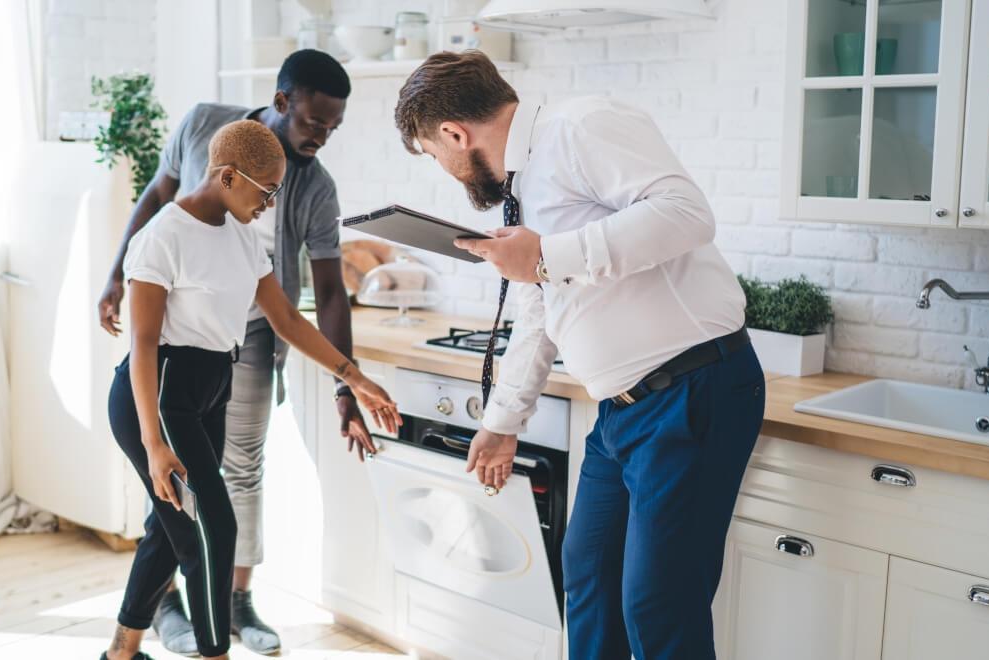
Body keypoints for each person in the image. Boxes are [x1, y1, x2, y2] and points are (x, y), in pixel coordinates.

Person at [394, 50, 766, 660]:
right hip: (621, 413)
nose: (451, 173)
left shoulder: (580, 127)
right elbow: (543, 310)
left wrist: (545, 258)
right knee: (588, 578)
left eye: (440, 159)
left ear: (454, 133)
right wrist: (501, 423)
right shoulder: (528, 183)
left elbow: (687, 214)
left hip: (692, 391)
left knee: (658, 602)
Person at [97, 50, 368, 655]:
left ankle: (121, 649)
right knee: (207, 528)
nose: (271, 204)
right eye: (265, 194)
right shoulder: (167, 230)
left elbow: (292, 314)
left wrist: (350, 378)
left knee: (177, 530)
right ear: (227, 178)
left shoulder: (249, 236)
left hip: (214, 379)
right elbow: (144, 345)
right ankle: (210, 644)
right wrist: (153, 441)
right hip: (164, 388)